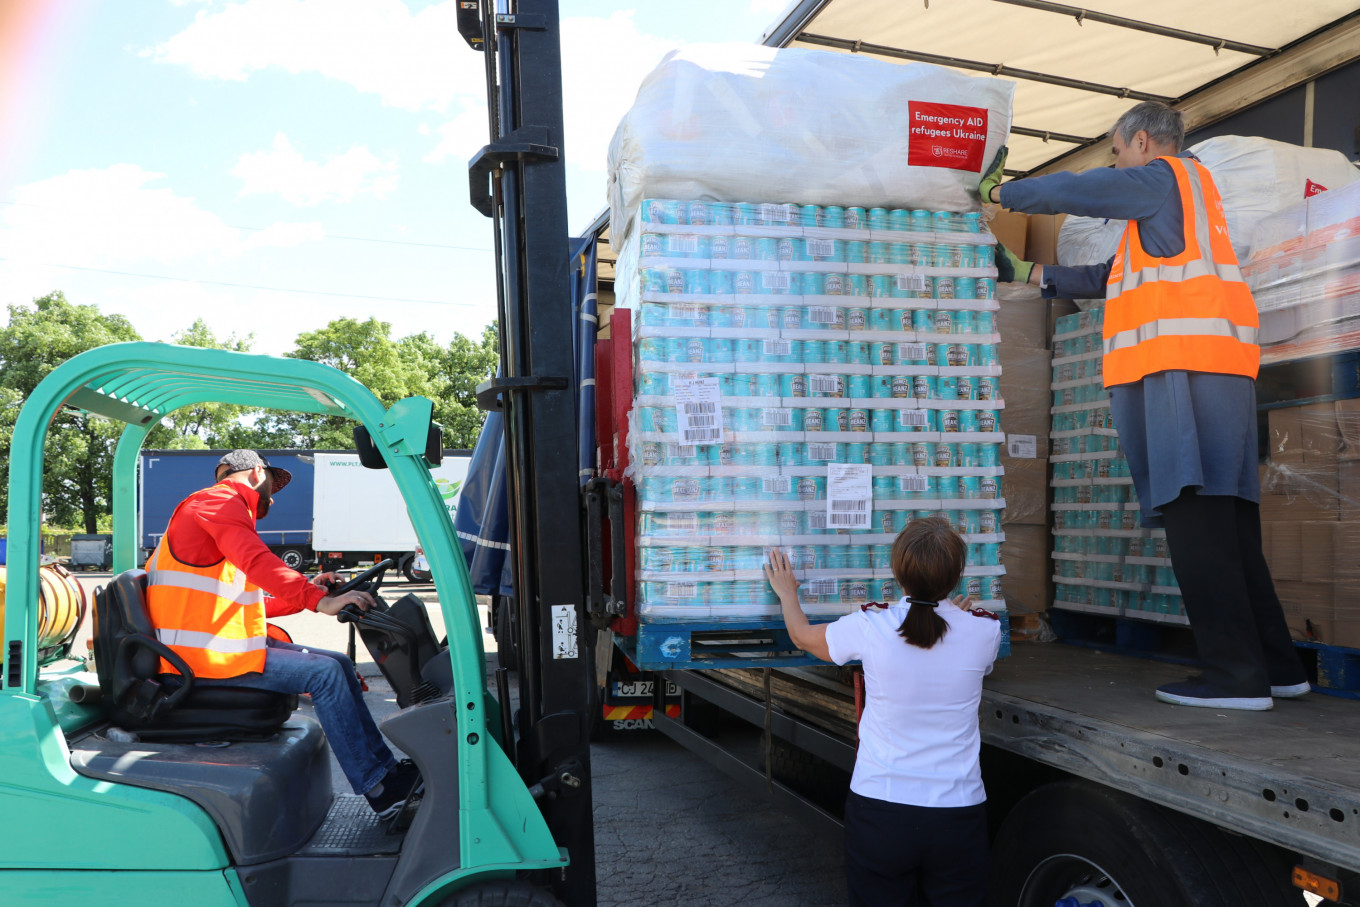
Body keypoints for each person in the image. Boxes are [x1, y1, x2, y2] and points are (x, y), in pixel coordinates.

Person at [980, 100, 1309, 711]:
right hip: (1219, 376)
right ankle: (1276, 667)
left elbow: (1093, 188)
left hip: (1186, 378)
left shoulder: (1164, 178)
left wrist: (1008, 193)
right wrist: (1027, 273)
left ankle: (1235, 679)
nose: (1118, 163)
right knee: (1230, 529)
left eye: (1117, 150)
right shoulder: (1181, 210)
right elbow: (1107, 278)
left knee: (1197, 523)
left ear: (1140, 142)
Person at [146, 448, 418, 817]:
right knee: (323, 675)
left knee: (336, 662)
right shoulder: (217, 501)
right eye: (272, 487)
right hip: (200, 660)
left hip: (217, 647)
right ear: (257, 473)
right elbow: (258, 561)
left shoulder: (215, 520)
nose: (272, 497)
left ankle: (385, 771)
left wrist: (317, 592)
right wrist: (315, 601)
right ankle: (382, 790)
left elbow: (253, 604)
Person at [765, 517, 1002, 907]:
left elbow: (801, 636)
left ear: (897, 571)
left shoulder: (870, 626)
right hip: (957, 817)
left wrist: (788, 593)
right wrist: (955, 616)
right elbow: (951, 641)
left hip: (881, 812)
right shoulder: (985, 631)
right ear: (957, 575)